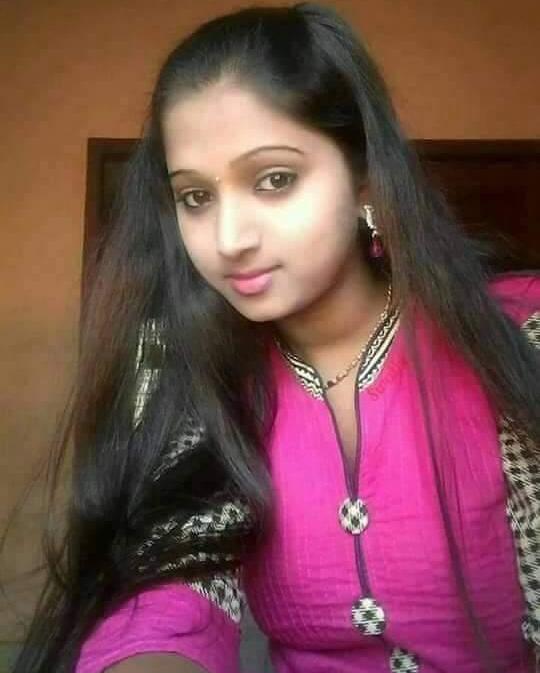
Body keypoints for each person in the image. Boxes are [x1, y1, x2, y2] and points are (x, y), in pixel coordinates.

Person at [11, 3, 540, 673]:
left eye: (275, 180)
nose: (229, 238)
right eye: (195, 197)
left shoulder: (513, 337)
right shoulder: (202, 375)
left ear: (364, 179)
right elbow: (173, 587)